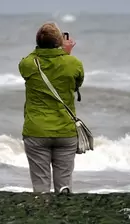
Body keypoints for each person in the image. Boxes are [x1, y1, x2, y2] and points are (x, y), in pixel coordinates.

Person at [18, 22, 85, 194]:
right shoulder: (73, 63)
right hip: (65, 131)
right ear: (59, 42)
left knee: (40, 186)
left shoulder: (28, 64)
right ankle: (63, 216)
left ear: (38, 43)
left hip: (36, 130)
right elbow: (77, 83)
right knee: (64, 185)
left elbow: (29, 59)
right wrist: (65, 53)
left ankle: (42, 215)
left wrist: (47, 47)